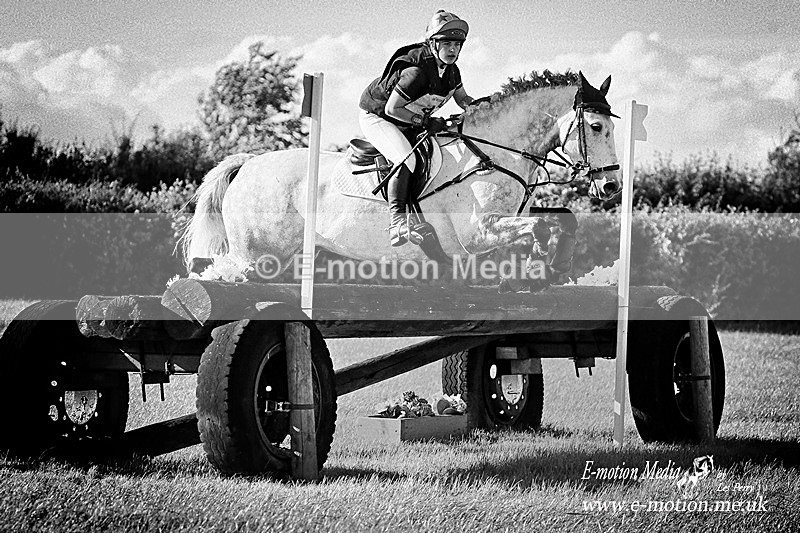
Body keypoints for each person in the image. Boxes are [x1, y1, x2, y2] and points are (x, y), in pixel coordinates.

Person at [359, 10, 478, 246]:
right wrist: (424, 122)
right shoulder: (416, 72)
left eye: (456, 44)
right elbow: (393, 110)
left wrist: (482, 106)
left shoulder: (452, 71)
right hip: (379, 117)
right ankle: (397, 223)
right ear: (432, 43)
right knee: (406, 159)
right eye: (446, 43)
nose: (452, 49)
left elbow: (462, 98)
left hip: (406, 118)